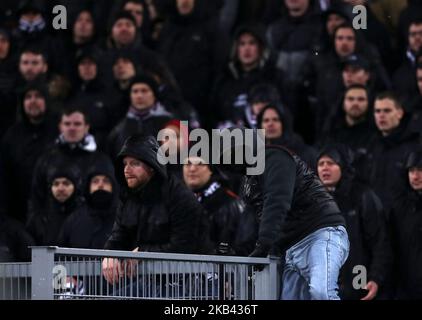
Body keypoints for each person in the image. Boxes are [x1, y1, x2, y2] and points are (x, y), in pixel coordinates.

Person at [218, 128, 349, 300]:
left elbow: (277, 202)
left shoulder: (274, 157)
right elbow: (258, 222)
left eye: (233, 150)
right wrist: (240, 253)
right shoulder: (248, 182)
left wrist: (263, 246)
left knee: (321, 292)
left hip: (320, 233)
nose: (231, 158)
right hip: (291, 247)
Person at [102, 134, 208, 285]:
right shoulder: (128, 198)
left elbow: (184, 246)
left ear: (151, 167)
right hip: (148, 281)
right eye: (125, 164)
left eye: (134, 164)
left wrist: (143, 253)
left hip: (190, 282)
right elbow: (119, 235)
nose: (127, 169)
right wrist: (109, 254)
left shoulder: (180, 196)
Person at [317, 144, 392, 300]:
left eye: (331, 163)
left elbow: (380, 242)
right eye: (321, 164)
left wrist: (375, 278)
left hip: (357, 283)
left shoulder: (363, 196)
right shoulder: (313, 201)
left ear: (343, 166)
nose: (325, 168)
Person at [28, 107, 112, 225]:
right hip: (52, 229)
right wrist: (40, 227)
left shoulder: (101, 160)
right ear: (60, 127)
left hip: (88, 229)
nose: (72, 128)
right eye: (67, 124)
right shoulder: (46, 159)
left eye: (77, 124)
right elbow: (36, 199)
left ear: (86, 127)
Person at [1, 81, 58, 222]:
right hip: (18, 209)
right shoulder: (12, 135)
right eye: (28, 97)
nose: (33, 101)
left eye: (38, 96)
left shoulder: (59, 130)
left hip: (54, 207)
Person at [183, 156, 257, 256]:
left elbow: (244, 243)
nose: (192, 169)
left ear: (210, 170)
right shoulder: (179, 198)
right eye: (188, 164)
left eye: (200, 164)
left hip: (221, 267)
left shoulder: (228, 203)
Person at [58, 161, 118, 249]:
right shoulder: (74, 219)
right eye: (95, 181)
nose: (100, 185)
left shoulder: (122, 218)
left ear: (113, 187)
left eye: (106, 181)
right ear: (88, 187)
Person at [390, 149, 422, 299]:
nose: (415, 176)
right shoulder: (400, 206)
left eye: (420, 170)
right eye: (412, 170)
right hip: (405, 285)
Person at [27, 166, 83, 246]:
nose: (60, 188)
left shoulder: (83, 216)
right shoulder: (40, 219)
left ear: (75, 187)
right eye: (56, 184)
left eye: (66, 183)